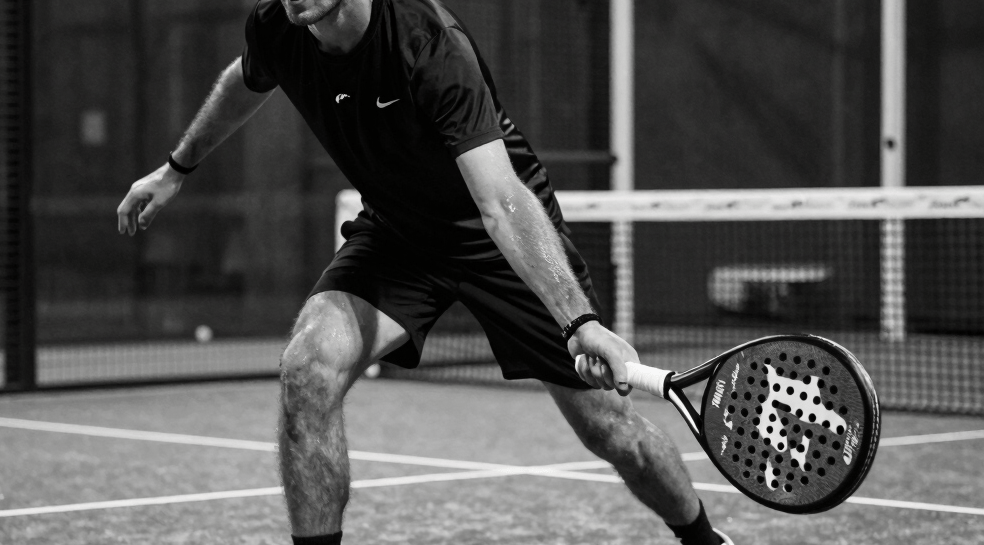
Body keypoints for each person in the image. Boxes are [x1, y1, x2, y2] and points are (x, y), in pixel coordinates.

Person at [116, 1, 733, 544]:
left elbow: (502, 203)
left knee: (609, 430)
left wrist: (580, 321)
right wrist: (176, 169)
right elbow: (245, 78)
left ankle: (703, 540)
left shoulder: (429, 43)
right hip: (398, 236)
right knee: (308, 370)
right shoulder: (278, 26)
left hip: (495, 239)